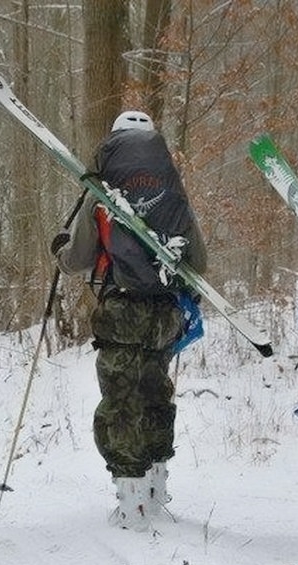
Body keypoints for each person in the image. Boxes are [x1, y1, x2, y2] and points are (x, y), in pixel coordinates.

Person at [51, 110, 208, 531]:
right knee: (156, 391)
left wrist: (60, 252)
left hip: (120, 309)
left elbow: (80, 258)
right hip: (164, 312)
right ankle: (157, 489)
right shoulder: (173, 194)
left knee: (121, 400)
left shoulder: (101, 196)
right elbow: (199, 260)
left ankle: (131, 500)